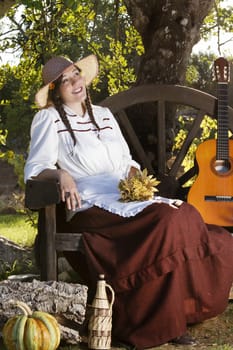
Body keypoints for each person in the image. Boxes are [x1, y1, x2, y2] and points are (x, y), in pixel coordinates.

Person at [24, 53, 233, 349]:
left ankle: (181, 312)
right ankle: (152, 323)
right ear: (56, 91)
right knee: (166, 223)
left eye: (76, 74)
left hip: (125, 195)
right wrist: (62, 176)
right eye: (65, 81)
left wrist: (137, 180)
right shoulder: (48, 119)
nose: (74, 83)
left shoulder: (104, 115)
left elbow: (125, 160)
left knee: (184, 214)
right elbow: (34, 169)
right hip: (91, 203)